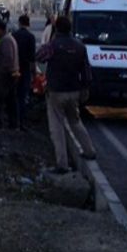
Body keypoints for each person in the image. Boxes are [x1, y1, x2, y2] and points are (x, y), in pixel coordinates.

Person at [39, 16, 96, 174]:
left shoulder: (53, 46)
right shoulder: (80, 46)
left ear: (56, 29)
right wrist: (85, 90)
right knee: (75, 121)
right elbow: (86, 72)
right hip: (74, 91)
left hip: (56, 91)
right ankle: (89, 150)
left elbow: (39, 57)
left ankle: (62, 164)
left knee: (57, 127)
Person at [0, 18, 19, 129]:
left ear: (0, 30)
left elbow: (8, 58)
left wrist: (1, 72)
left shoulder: (5, 41)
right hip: (11, 75)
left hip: (6, 77)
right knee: (11, 101)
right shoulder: (8, 39)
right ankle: (13, 124)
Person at [12, 14, 36, 130]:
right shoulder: (31, 37)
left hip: (14, 69)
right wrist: (34, 73)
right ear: (28, 24)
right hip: (25, 70)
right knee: (23, 96)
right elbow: (32, 58)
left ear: (20, 23)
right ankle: (21, 122)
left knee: (14, 96)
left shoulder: (14, 35)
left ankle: (14, 121)